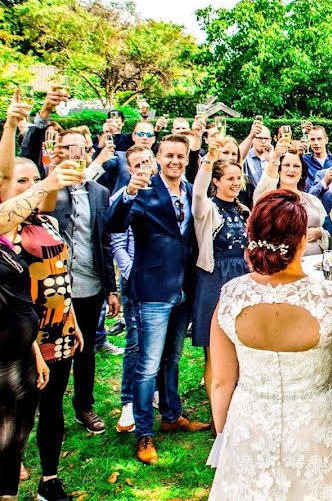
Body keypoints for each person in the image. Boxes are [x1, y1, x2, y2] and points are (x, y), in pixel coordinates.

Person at [207, 190, 332, 499]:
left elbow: (220, 381)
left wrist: (224, 435)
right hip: (319, 429)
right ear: (301, 241)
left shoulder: (230, 296)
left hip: (251, 426)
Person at [106, 134, 210, 465]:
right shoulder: (143, 189)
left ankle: (172, 414)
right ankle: (144, 433)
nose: (176, 161)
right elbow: (114, 223)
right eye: (169, 155)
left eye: (181, 155)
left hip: (183, 288)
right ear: (158, 157)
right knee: (147, 364)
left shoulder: (193, 190)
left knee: (172, 358)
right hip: (151, 287)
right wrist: (130, 192)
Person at [0, 97, 81, 501]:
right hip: (23, 339)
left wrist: (74, 321)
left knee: (52, 409)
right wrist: (17, 127)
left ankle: (49, 480)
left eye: (36, 179)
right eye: (21, 181)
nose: (31, 186)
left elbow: (60, 276)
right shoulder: (5, 232)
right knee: (15, 417)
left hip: (60, 329)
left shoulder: (47, 220)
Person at [40, 129, 119, 436]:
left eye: (80, 148)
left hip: (90, 285)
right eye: (66, 147)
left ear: (89, 152)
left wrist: (111, 289)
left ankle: (84, 407)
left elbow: (104, 241)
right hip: (54, 290)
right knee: (55, 351)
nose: (74, 153)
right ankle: (49, 407)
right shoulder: (48, 191)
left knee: (84, 351)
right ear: (57, 151)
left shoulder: (99, 192)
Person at [192, 136, 250, 412]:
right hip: (214, 281)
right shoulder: (207, 210)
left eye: (238, 178)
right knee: (214, 352)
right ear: (216, 181)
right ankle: (218, 414)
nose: (236, 183)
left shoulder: (242, 210)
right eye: (229, 178)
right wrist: (209, 159)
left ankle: (235, 405)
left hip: (241, 279)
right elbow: (197, 194)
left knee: (239, 347)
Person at [111, 146, 153, 435]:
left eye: (147, 162)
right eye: (137, 163)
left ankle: (151, 392)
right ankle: (128, 400)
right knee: (136, 341)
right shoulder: (122, 198)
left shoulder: (160, 194)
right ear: (128, 167)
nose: (143, 167)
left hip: (159, 279)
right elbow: (117, 245)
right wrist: (134, 274)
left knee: (155, 342)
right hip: (135, 278)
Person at [253, 135, 327, 255]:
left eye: (296, 166)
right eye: (287, 165)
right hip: (282, 264)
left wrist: (320, 233)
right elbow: (259, 197)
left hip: (314, 264)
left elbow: (329, 230)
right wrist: (275, 157)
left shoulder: (313, 200)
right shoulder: (270, 198)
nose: (291, 170)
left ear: (302, 171)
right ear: (279, 169)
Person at [303, 124, 332, 191]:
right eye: (312, 139)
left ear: (326, 140)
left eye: (319, 139)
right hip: (311, 198)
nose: (316, 143)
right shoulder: (304, 160)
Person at [242, 124, 271, 193]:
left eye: (266, 138)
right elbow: (237, 156)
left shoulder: (273, 156)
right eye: (259, 138)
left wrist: (271, 160)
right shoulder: (246, 156)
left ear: (270, 140)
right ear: (252, 139)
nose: (263, 141)